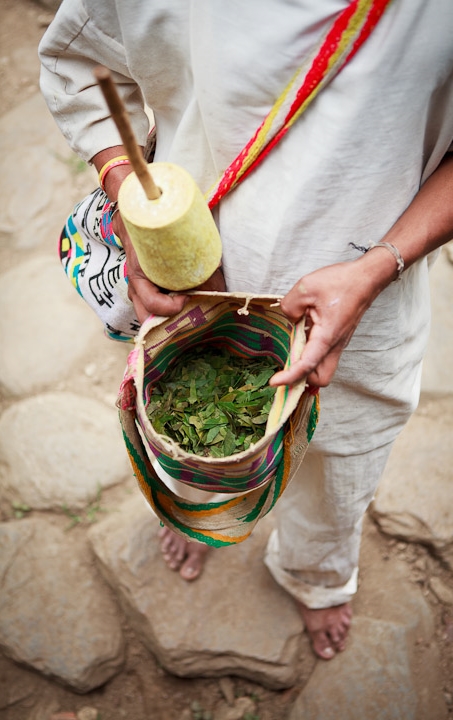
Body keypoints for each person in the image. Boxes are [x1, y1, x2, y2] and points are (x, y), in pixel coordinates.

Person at [38, 0, 453, 661]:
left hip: (361, 297)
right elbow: (77, 59)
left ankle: (314, 574)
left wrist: (378, 268)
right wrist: (126, 193)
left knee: (339, 456)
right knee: (192, 441)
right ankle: (202, 514)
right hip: (195, 275)